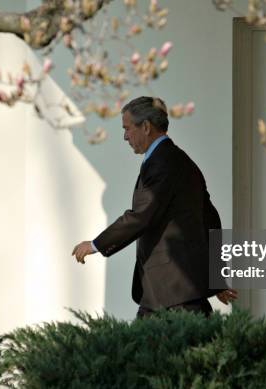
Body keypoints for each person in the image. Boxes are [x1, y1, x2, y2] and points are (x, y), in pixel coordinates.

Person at [72, 96, 237, 318]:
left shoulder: (163, 163)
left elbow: (141, 215)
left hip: (172, 292)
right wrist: (215, 278)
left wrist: (95, 245)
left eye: (127, 128)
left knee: (141, 350)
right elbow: (211, 219)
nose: (125, 136)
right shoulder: (178, 160)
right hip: (173, 292)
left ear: (146, 127)